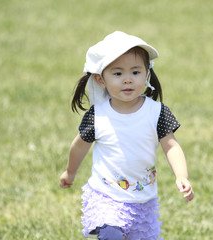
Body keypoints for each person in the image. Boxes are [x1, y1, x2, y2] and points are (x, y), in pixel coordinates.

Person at [60, 31, 194, 240]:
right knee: (111, 235)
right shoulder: (98, 116)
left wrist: (181, 175)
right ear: (100, 79)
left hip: (142, 201)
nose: (127, 80)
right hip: (106, 196)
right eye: (117, 74)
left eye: (135, 72)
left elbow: (171, 146)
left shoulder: (156, 112)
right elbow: (79, 146)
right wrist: (70, 173)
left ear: (147, 74)